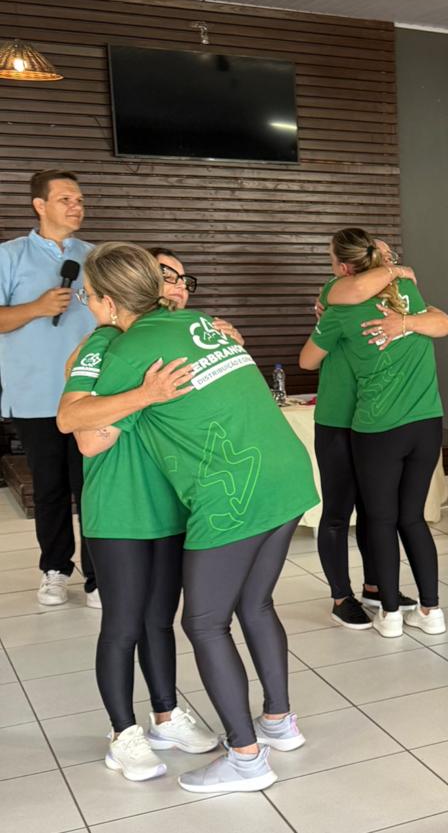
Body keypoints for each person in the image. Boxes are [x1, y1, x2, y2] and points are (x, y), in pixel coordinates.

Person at [59, 242, 318, 794]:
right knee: (254, 602)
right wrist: (145, 395)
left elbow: (76, 426)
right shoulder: (202, 325)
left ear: (108, 301)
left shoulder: (131, 347)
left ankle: (245, 759)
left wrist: (142, 393)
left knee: (203, 623)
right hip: (289, 474)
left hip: (235, 493)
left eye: (88, 295)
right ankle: (278, 722)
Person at [57, 286, 219, 782]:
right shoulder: (104, 342)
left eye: (182, 279)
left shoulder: (177, 337)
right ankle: (122, 733)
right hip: (119, 508)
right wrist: (142, 399)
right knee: (123, 624)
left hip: (168, 504)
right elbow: (87, 437)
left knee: (158, 620)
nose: (177, 288)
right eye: (166, 277)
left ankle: (166, 717)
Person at [301, 228, 448, 638]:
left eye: (391, 257)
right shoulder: (339, 296)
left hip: (376, 422)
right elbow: (309, 359)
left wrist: (404, 321)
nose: (388, 262)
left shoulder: (400, 298)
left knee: (377, 514)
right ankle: (341, 597)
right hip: (341, 418)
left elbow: (442, 321)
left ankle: (378, 591)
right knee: (339, 512)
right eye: (382, 256)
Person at [0, 169, 97, 607]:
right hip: (35, 394)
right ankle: (55, 568)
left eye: (79, 200)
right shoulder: (9, 256)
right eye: (65, 199)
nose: (76, 206)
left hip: (91, 394)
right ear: (39, 205)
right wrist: (36, 307)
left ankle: (98, 574)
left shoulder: (93, 257)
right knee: (51, 487)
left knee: (92, 486)